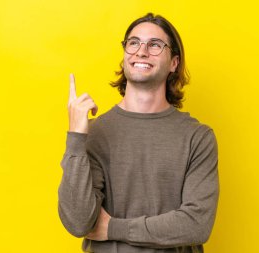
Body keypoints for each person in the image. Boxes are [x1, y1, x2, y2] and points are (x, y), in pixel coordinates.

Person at [58, 13, 219, 253]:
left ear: (174, 63)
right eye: (133, 43)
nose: (141, 51)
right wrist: (76, 139)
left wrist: (114, 228)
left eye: (155, 45)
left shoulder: (198, 137)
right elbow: (78, 222)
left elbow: (196, 224)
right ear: (124, 57)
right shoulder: (94, 133)